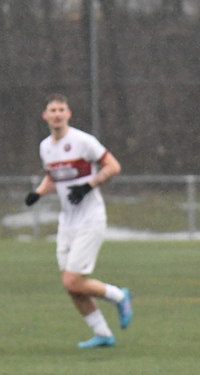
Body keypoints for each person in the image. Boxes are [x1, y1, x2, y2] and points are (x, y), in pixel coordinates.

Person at [24, 94, 131, 348]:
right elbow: (54, 177)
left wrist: (88, 186)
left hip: (90, 219)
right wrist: (38, 193)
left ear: (68, 114)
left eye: (62, 109)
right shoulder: (45, 147)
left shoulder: (83, 141)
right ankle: (103, 334)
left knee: (73, 280)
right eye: (53, 110)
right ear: (45, 115)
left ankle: (119, 296)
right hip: (67, 222)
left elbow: (113, 166)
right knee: (71, 286)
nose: (57, 114)